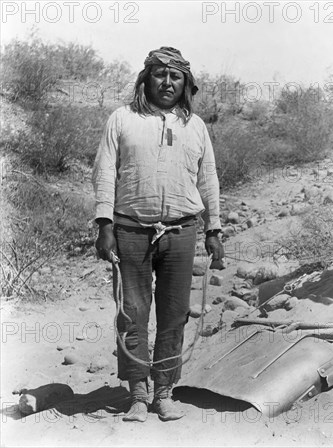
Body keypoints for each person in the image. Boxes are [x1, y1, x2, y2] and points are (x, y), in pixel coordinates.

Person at [92, 46, 224, 422]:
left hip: (182, 231)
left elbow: (208, 179)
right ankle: (136, 393)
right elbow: (104, 173)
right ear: (145, 78)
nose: (167, 82)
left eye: (175, 76)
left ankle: (164, 391)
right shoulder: (121, 119)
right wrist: (104, 225)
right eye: (159, 74)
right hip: (130, 230)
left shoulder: (194, 127)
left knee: (174, 314)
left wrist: (214, 229)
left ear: (186, 85)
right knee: (132, 312)